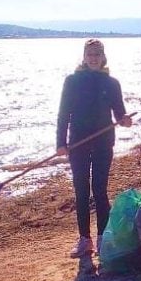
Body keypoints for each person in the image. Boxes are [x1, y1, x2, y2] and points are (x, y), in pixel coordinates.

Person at [56, 39, 132, 258]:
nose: (93, 58)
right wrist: (61, 143)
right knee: (81, 191)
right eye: (90, 54)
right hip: (78, 143)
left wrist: (124, 120)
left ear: (103, 56)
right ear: (84, 56)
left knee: (100, 191)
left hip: (103, 143)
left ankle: (103, 239)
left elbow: (119, 113)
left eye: (97, 54)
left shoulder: (112, 83)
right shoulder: (72, 81)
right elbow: (63, 114)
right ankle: (84, 240)